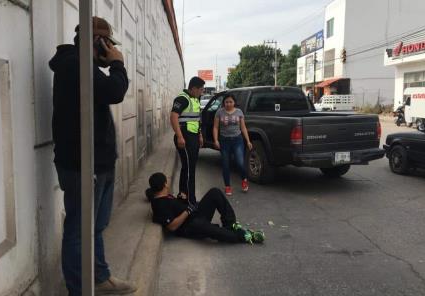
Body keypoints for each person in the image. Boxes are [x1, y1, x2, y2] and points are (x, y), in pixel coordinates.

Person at [49, 16, 136, 295]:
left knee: (96, 226)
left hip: (98, 161)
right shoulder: (75, 64)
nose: (111, 49)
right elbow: (115, 91)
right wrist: (118, 63)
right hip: (82, 164)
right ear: (98, 42)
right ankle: (79, 289)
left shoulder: (82, 65)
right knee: (79, 229)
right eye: (108, 43)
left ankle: (99, 277)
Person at [145, 172, 265, 244]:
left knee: (215, 192)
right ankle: (242, 236)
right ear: (165, 184)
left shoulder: (161, 195)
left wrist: (182, 200)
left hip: (194, 214)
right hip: (189, 226)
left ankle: (231, 224)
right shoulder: (159, 205)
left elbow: (150, 193)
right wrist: (187, 211)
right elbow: (172, 226)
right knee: (211, 230)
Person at [170, 77, 205, 205]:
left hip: (193, 136)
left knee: (189, 167)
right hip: (185, 137)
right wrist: (179, 136)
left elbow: (196, 119)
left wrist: (200, 135)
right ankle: (191, 201)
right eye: (201, 89)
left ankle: (183, 195)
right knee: (190, 169)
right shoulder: (182, 98)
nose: (202, 92)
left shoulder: (195, 99)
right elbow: (173, 117)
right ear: (194, 88)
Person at [213, 94, 253, 196]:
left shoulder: (239, 112)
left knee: (240, 163)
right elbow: (215, 127)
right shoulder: (219, 112)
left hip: (237, 140)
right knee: (226, 164)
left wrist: (248, 141)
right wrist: (216, 140)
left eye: (230, 102)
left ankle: (244, 179)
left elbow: (243, 128)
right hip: (224, 141)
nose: (228, 104)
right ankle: (227, 186)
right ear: (224, 103)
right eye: (226, 102)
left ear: (234, 102)